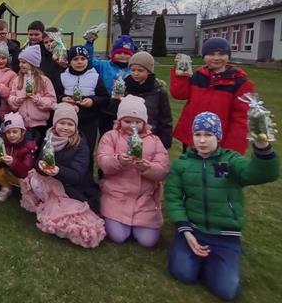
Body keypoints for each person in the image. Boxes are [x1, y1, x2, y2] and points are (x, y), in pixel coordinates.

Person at [165, 112, 279, 301]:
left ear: (218, 136)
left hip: (224, 236)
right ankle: (196, 256)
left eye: (208, 135)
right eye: (197, 134)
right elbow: (173, 198)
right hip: (193, 231)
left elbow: (263, 174)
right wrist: (186, 232)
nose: (202, 140)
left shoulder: (230, 161)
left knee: (227, 291)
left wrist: (261, 146)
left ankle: (219, 260)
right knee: (183, 274)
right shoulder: (182, 165)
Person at [20, 103, 105, 248]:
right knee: (33, 180)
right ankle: (49, 204)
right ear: (55, 124)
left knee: (71, 224)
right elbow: (39, 161)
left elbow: (77, 176)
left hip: (73, 188)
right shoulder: (49, 138)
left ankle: (59, 210)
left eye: (70, 124)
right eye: (62, 123)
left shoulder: (81, 145)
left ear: (75, 126)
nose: (65, 127)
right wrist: (42, 167)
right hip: (53, 181)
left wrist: (58, 171)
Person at [97, 95, 170, 248]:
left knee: (148, 242)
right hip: (116, 195)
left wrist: (147, 168)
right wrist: (119, 161)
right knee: (118, 237)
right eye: (128, 121)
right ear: (119, 121)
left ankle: (140, 224)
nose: (133, 126)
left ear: (144, 122)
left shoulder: (155, 141)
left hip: (145, 199)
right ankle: (115, 219)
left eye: (138, 122)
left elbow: (163, 170)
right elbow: (103, 163)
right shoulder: (110, 137)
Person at [170, 37, 254, 154]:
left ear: (228, 56)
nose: (216, 58)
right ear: (204, 56)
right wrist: (181, 73)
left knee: (214, 166)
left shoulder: (239, 82)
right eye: (211, 54)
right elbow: (179, 94)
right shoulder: (198, 75)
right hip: (193, 136)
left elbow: (241, 118)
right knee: (191, 164)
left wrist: (232, 149)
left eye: (221, 54)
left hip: (219, 141)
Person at [59, 45, 110, 175]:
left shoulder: (94, 76)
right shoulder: (63, 76)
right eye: (75, 59)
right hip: (68, 121)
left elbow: (104, 97)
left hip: (89, 121)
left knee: (86, 150)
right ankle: (68, 178)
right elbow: (56, 94)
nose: (79, 62)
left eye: (83, 59)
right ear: (69, 61)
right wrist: (62, 98)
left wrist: (92, 101)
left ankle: (87, 179)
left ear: (88, 60)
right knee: (67, 150)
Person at [120, 51, 172, 149]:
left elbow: (165, 119)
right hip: (126, 136)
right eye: (133, 70)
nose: (135, 73)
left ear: (149, 71)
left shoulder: (159, 91)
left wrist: (165, 142)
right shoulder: (124, 88)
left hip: (151, 136)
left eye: (140, 70)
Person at [85, 33, 136, 134]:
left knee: (125, 135)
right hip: (106, 108)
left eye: (126, 53)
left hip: (127, 108)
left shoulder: (133, 70)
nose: (122, 55)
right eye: (119, 52)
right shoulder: (104, 65)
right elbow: (89, 61)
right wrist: (89, 44)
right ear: (113, 53)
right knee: (106, 134)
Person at [8, 45, 57, 144]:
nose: (20, 65)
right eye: (20, 62)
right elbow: (11, 101)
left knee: (38, 149)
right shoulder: (17, 80)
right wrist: (19, 99)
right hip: (22, 125)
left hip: (40, 125)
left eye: (24, 62)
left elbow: (52, 102)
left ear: (32, 63)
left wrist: (38, 100)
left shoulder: (44, 80)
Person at [0, 112, 37, 202]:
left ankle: (26, 192)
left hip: (24, 178)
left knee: (30, 185)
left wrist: (13, 163)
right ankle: (6, 187)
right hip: (10, 173)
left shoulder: (29, 146)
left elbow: (26, 172)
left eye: (15, 132)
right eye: (8, 132)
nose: (11, 135)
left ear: (22, 132)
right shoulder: (2, 143)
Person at [14, 21, 63, 97]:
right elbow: (16, 67)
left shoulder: (49, 50)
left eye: (36, 34)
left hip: (48, 87)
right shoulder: (23, 50)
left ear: (42, 34)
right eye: (31, 34)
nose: (33, 37)